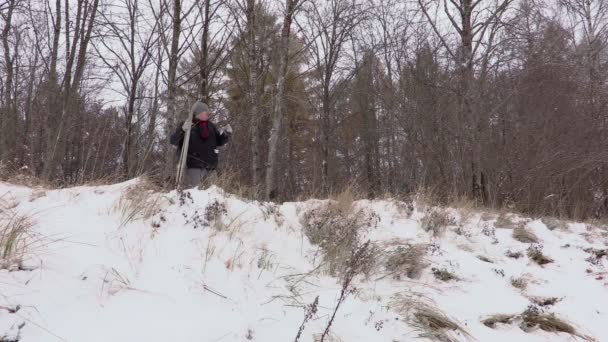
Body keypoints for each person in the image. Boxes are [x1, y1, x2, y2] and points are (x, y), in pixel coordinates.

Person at [170, 101, 232, 188]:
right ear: (198, 113)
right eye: (205, 111)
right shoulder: (188, 124)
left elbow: (220, 141)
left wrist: (226, 134)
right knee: (195, 193)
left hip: (210, 167)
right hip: (194, 167)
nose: (208, 113)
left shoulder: (211, 126)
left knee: (213, 195)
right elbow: (173, 141)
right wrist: (182, 130)